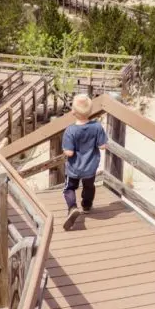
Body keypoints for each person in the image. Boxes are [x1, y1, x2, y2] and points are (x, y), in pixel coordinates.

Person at [60, 93, 107, 231]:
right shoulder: (97, 127)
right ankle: (86, 206)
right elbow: (102, 146)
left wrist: (64, 150)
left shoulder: (70, 130)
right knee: (89, 186)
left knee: (69, 188)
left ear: (73, 111)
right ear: (90, 111)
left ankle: (72, 207)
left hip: (74, 168)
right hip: (90, 167)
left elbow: (69, 152)